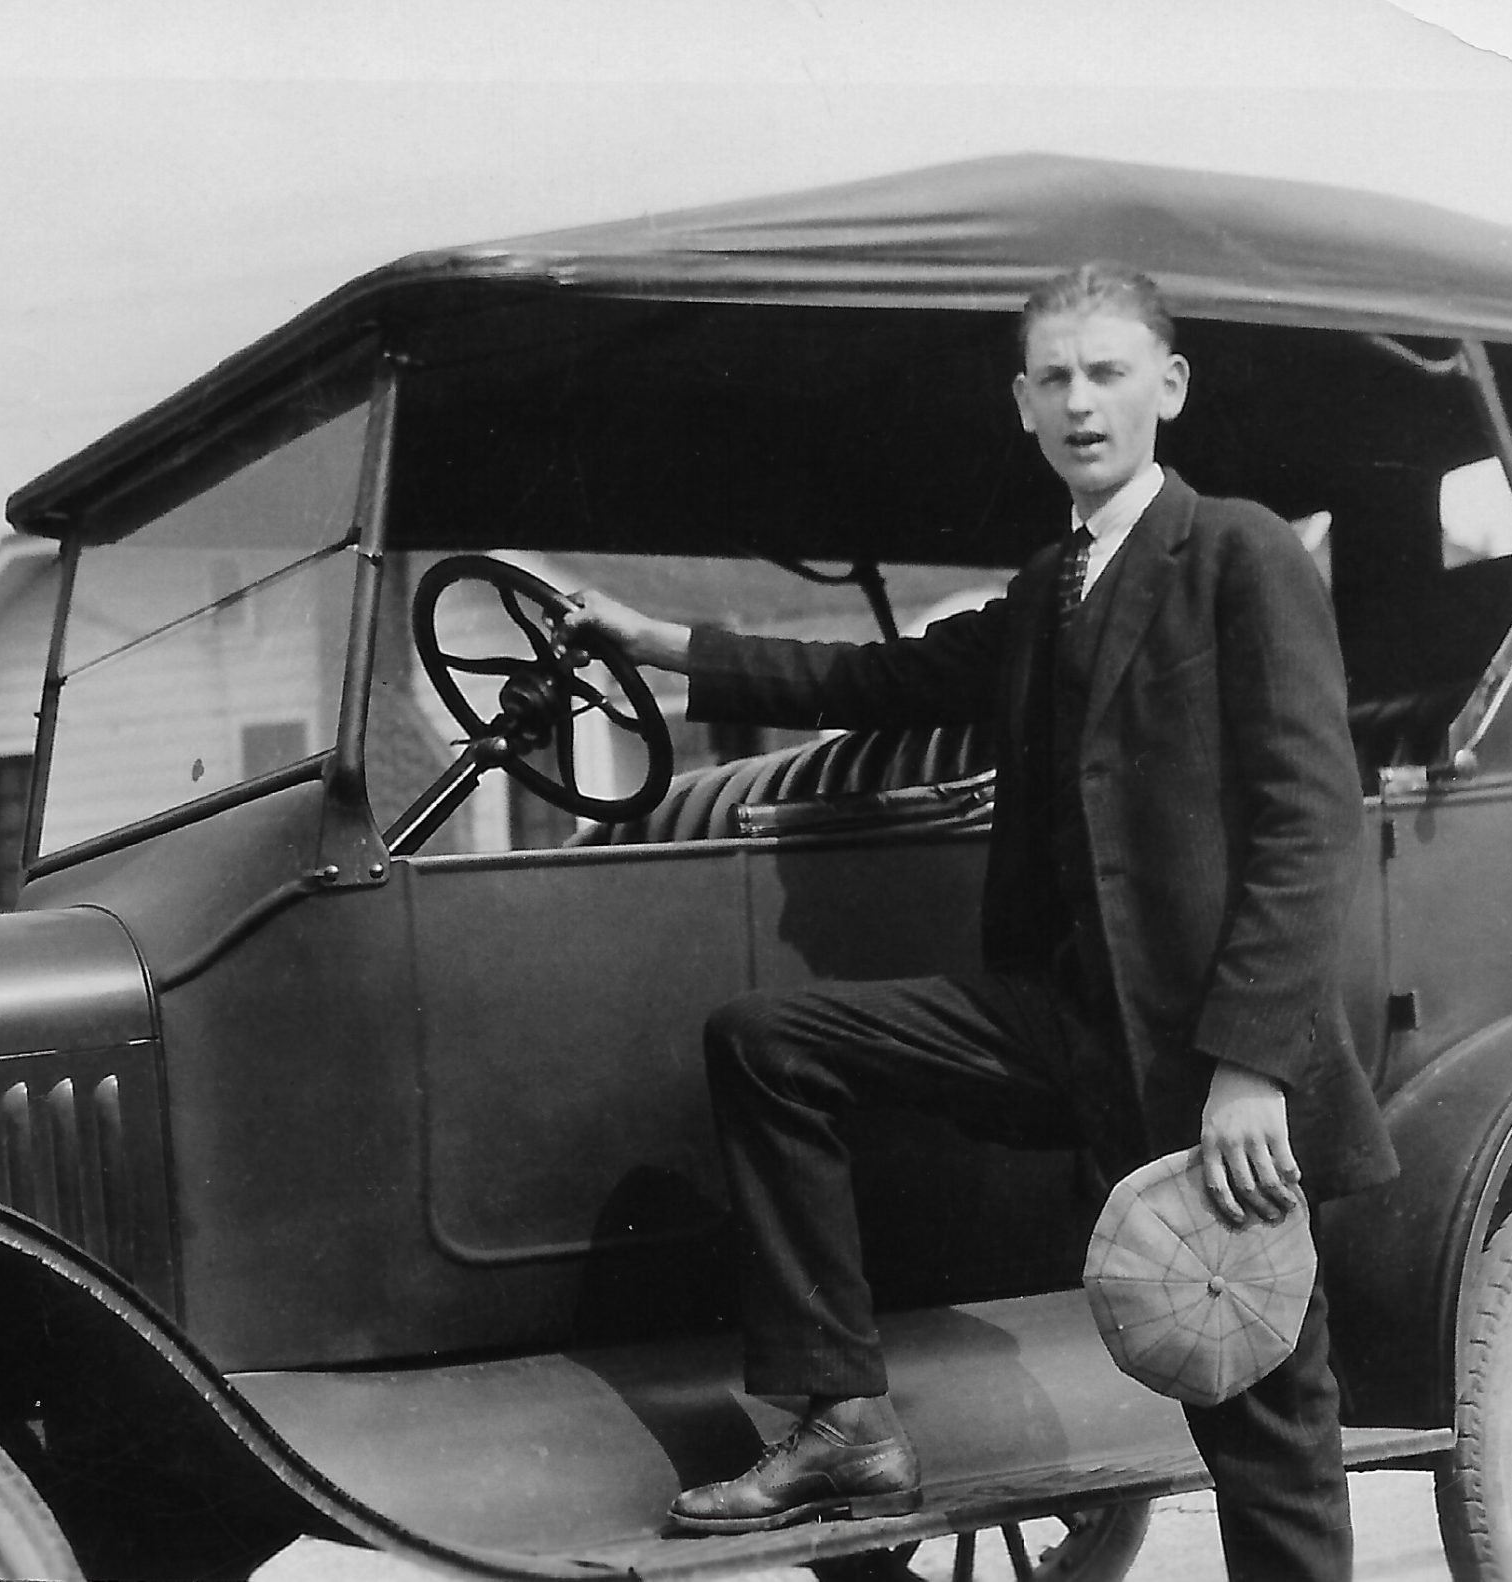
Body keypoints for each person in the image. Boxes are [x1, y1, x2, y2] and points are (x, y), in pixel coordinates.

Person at [557, 262, 1398, 1581]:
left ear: (1167, 386)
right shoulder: (1049, 587)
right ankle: (844, 1420)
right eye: (1054, 377)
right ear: (1021, 401)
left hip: (1210, 1068)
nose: (1081, 401)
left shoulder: (1238, 549)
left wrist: (1251, 1065)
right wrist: (658, 643)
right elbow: (870, 678)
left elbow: (1309, 823)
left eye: (1108, 371)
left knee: (1264, 1423)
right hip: (1062, 1027)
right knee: (770, 1042)